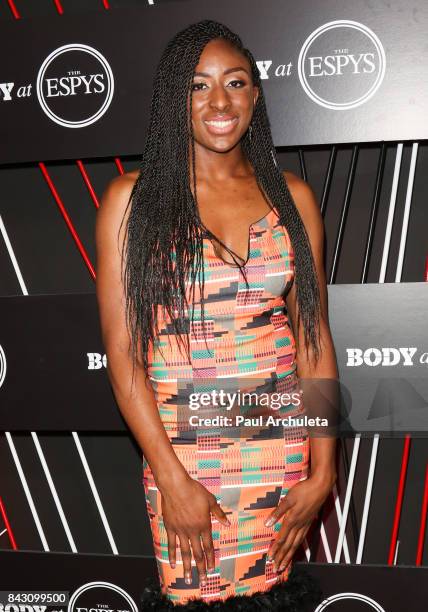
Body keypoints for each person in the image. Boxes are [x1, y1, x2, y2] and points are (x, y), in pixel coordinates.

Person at [95, 19, 338, 608]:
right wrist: (172, 479)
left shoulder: (293, 198)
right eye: (198, 86)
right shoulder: (133, 202)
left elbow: (314, 342)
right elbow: (124, 357)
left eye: (235, 82)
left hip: (280, 455)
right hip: (185, 458)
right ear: (173, 100)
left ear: (256, 94)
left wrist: (323, 470)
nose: (220, 101)